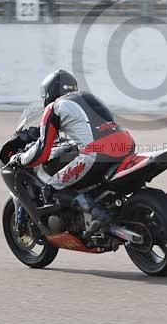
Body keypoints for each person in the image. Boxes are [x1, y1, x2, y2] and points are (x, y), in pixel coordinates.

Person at [11, 69, 135, 234]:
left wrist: (21, 159)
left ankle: (97, 215)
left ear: (49, 92)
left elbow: (42, 151)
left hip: (97, 154)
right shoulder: (88, 98)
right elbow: (99, 128)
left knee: (52, 188)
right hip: (125, 145)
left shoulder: (53, 108)